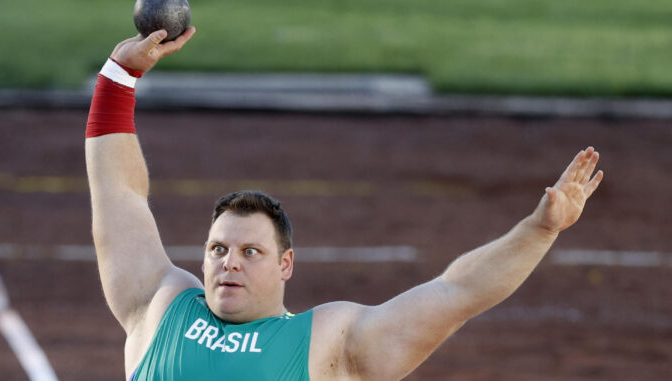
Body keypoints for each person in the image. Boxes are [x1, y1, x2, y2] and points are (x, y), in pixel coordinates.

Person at [85, 27, 604, 381]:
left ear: (286, 263)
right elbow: (119, 196)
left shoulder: (328, 344)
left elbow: (456, 293)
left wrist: (539, 231)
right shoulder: (162, 306)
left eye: (250, 252)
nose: (229, 263)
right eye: (218, 249)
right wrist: (118, 77)